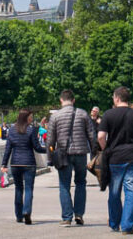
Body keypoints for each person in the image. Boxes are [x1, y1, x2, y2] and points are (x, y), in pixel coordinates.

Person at [98, 87, 133, 235]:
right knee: (131, 191)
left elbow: (101, 136)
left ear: (117, 98)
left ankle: (114, 223)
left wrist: (106, 149)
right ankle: (127, 226)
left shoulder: (108, 114)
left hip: (115, 158)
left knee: (114, 192)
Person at [46, 90, 95, 227]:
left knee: (64, 185)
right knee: (80, 183)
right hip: (80, 153)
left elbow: (50, 140)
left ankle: (67, 217)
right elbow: (92, 136)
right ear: (73, 100)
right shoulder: (83, 113)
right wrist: (94, 155)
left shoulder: (55, 117)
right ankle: (79, 214)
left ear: (61, 100)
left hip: (63, 154)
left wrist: (50, 158)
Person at [1, 109, 45, 225]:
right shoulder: (30, 130)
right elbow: (37, 148)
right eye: (30, 117)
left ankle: (19, 215)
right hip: (29, 163)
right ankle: (27, 211)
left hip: (15, 163)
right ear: (26, 118)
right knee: (29, 188)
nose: (31, 118)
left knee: (18, 189)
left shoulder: (11, 130)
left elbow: (8, 149)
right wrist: (49, 150)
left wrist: (4, 164)